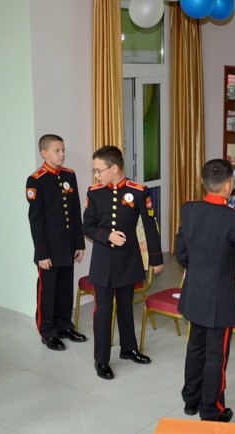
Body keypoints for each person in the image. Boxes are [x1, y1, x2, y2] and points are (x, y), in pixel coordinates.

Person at [176, 159, 235, 423]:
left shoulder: (188, 210)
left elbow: (181, 253)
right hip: (219, 299)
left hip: (195, 293)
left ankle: (190, 400)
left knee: (195, 347)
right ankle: (212, 409)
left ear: (203, 182)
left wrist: (197, 270)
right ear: (229, 186)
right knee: (216, 356)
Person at [82, 145, 163, 380]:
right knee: (103, 311)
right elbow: (87, 226)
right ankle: (101, 360)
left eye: (99, 170)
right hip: (103, 262)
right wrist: (107, 235)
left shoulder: (138, 192)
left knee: (127, 307)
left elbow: (150, 226)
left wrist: (156, 259)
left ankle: (129, 349)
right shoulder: (94, 193)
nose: (96, 175)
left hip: (128, 259)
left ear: (115, 168)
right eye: (95, 170)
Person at [26, 134, 87, 351]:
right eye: (57, 151)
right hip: (49, 250)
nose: (61, 154)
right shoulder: (36, 180)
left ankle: (64, 326)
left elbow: (75, 210)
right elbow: (36, 220)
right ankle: (47, 331)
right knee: (48, 291)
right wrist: (42, 253)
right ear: (44, 153)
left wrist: (79, 243)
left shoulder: (69, 175)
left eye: (63, 150)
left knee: (64, 289)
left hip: (67, 245)